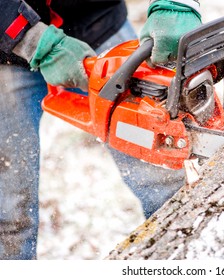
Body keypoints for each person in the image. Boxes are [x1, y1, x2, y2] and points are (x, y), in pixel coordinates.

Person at [0, 0, 202, 260]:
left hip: (101, 26)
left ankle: (187, 257)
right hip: (6, 53)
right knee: (8, 212)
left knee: (162, 171)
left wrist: (175, 4)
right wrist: (32, 39)